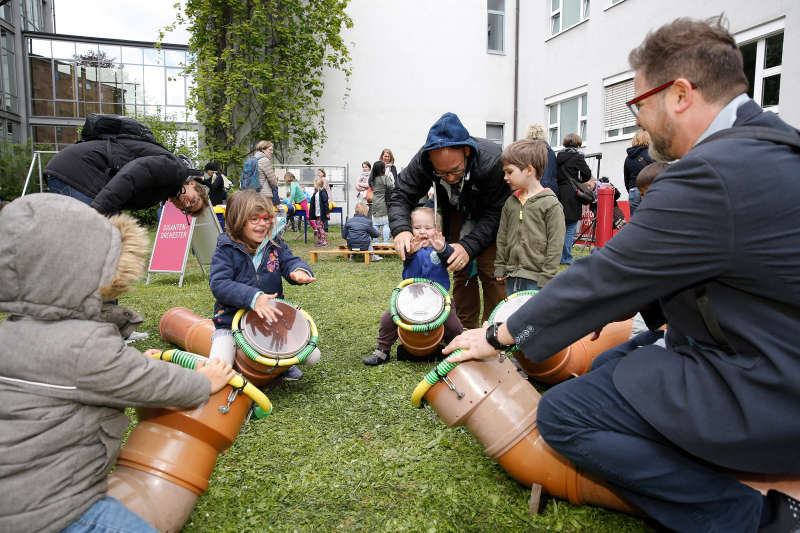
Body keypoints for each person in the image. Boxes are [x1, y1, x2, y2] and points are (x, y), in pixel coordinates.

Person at [443, 16, 800, 533]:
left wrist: (499, 335)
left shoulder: (712, 174)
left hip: (768, 387)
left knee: (564, 415)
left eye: (639, 103)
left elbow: (606, 277)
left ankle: (762, 518)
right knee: (614, 359)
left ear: (679, 93)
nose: (640, 119)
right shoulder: (775, 146)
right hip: (758, 348)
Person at [0, 193, 236, 533]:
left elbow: (94, 373)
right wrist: (204, 381)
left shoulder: (14, 331)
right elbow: (145, 382)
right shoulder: (85, 344)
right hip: (52, 506)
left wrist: (129, 362)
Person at [389, 112, 510, 329]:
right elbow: (401, 194)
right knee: (460, 268)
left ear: (466, 151)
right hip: (457, 213)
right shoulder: (423, 160)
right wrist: (401, 230)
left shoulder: (492, 160)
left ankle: (495, 333)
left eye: (456, 170)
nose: (451, 178)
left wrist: (469, 246)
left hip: (490, 216)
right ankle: (464, 331)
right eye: (442, 173)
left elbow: (497, 212)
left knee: (491, 272)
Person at [208, 190, 317, 382]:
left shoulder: (274, 244)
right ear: (238, 220)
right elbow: (219, 284)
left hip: (270, 320)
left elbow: (290, 261)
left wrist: (299, 271)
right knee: (218, 368)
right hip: (230, 321)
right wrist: (253, 297)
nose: (262, 224)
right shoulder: (226, 249)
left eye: (267, 218)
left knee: (313, 356)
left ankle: (281, 367)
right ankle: (237, 359)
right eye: (254, 219)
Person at [363, 207, 463, 365]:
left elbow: (450, 258)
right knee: (388, 320)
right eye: (417, 228)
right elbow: (406, 256)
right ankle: (383, 350)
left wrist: (443, 249)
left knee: (453, 325)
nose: (422, 232)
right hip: (410, 297)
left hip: (439, 299)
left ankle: (456, 349)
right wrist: (410, 252)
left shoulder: (443, 248)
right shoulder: (410, 247)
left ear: (438, 230)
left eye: (428, 228)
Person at [44, 138, 209, 216]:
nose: (186, 204)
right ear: (194, 185)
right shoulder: (175, 170)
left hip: (73, 173)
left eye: (187, 209)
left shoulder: (164, 189)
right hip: (78, 172)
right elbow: (134, 172)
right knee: (98, 243)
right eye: (193, 200)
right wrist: (99, 209)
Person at [494, 139, 565, 295]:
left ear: (529, 170)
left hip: (538, 279)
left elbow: (556, 243)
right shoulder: (510, 202)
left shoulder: (551, 204)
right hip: (512, 275)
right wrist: (500, 266)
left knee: (536, 319)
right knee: (511, 316)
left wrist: (548, 276)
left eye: (509, 171)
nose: (505, 177)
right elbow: (502, 236)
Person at [555, 133, 592, 265]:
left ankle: (559, 256)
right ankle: (566, 258)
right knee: (570, 226)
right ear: (578, 143)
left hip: (559, 192)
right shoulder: (577, 157)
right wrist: (579, 180)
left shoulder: (558, 156)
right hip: (571, 193)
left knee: (560, 227)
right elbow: (587, 174)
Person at [623, 130, 653, 215]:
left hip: (633, 190)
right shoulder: (652, 154)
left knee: (635, 222)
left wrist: (631, 189)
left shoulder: (628, 158)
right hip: (648, 190)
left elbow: (626, 178)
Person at [524, 123, 559, 195]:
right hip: (550, 190)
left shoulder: (527, 151)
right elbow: (554, 172)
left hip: (531, 189)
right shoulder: (550, 151)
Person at [368, 160, 394, 244]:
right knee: (386, 224)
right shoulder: (385, 178)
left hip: (374, 202)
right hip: (383, 203)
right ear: (382, 169)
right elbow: (392, 186)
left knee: (376, 224)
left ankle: (375, 243)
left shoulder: (372, 179)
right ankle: (386, 242)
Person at [255, 140, 279, 208]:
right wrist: (275, 180)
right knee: (266, 215)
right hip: (264, 194)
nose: (272, 152)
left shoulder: (254, 159)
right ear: (263, 149)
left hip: (253, 194)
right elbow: (273, 181)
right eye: (270, 150)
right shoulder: (264, 160)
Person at [308, 175, 330, 247]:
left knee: (320, 227)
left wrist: (327, 213)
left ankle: (324, 241)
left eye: (314, 184)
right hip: (317, 214)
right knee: (318, 227)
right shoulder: (316, 193)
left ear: (317, 184)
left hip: (321, 214)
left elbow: (326, 203)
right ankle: (320, 240)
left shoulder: (323, 192)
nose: (314, 185)